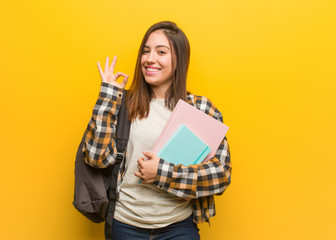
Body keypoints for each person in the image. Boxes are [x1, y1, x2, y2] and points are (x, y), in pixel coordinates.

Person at [82, 21, 232, 240]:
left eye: (161, 52)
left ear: (179, 60)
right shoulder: (124, 104)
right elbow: (96, 158)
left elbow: (221, 174)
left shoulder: (200, 108)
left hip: (178, 226)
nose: (150, 58)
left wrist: (161, 172)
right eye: (146, 51)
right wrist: (107, 96)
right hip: (126, 225)